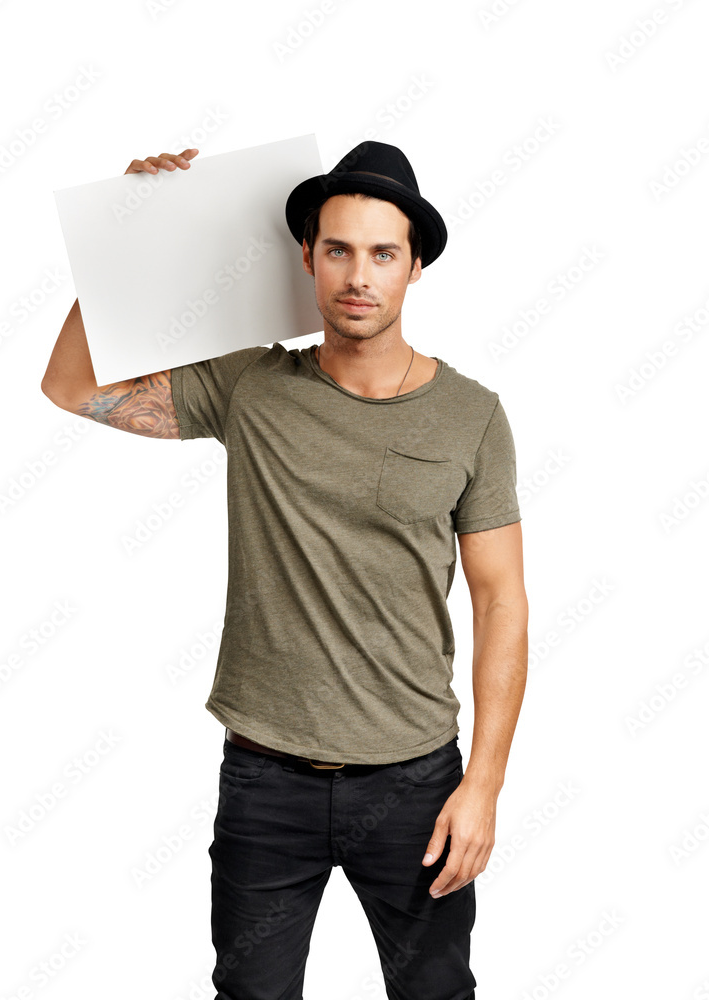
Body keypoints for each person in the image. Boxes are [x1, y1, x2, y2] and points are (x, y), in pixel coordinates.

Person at [41, 140, 529, 1000]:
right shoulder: (252, 388)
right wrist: (126, 230)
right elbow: (70, 385)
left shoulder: (473, 417)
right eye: (338, 249)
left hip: (416, 783)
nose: (358, 275)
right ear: (307, 257)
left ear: (416, 267)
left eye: (383, 253)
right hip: (266, 782)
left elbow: (502, 601)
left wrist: (483, 783)